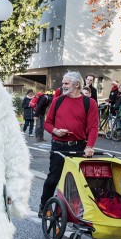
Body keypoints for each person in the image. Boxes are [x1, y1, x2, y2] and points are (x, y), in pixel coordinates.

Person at [40, 71, 98, 217]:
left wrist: (89, 146)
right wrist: (55, 131)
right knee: (53, 179)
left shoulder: (89, 103)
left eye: (66, 83)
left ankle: (74, 211)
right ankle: (44, 206)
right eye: (63, 83)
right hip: (59, 145)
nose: (63, 86)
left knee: (77, 183)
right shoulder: (58, 101)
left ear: (77, 84)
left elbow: (93, 127)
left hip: (79, 147)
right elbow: (47, 123)